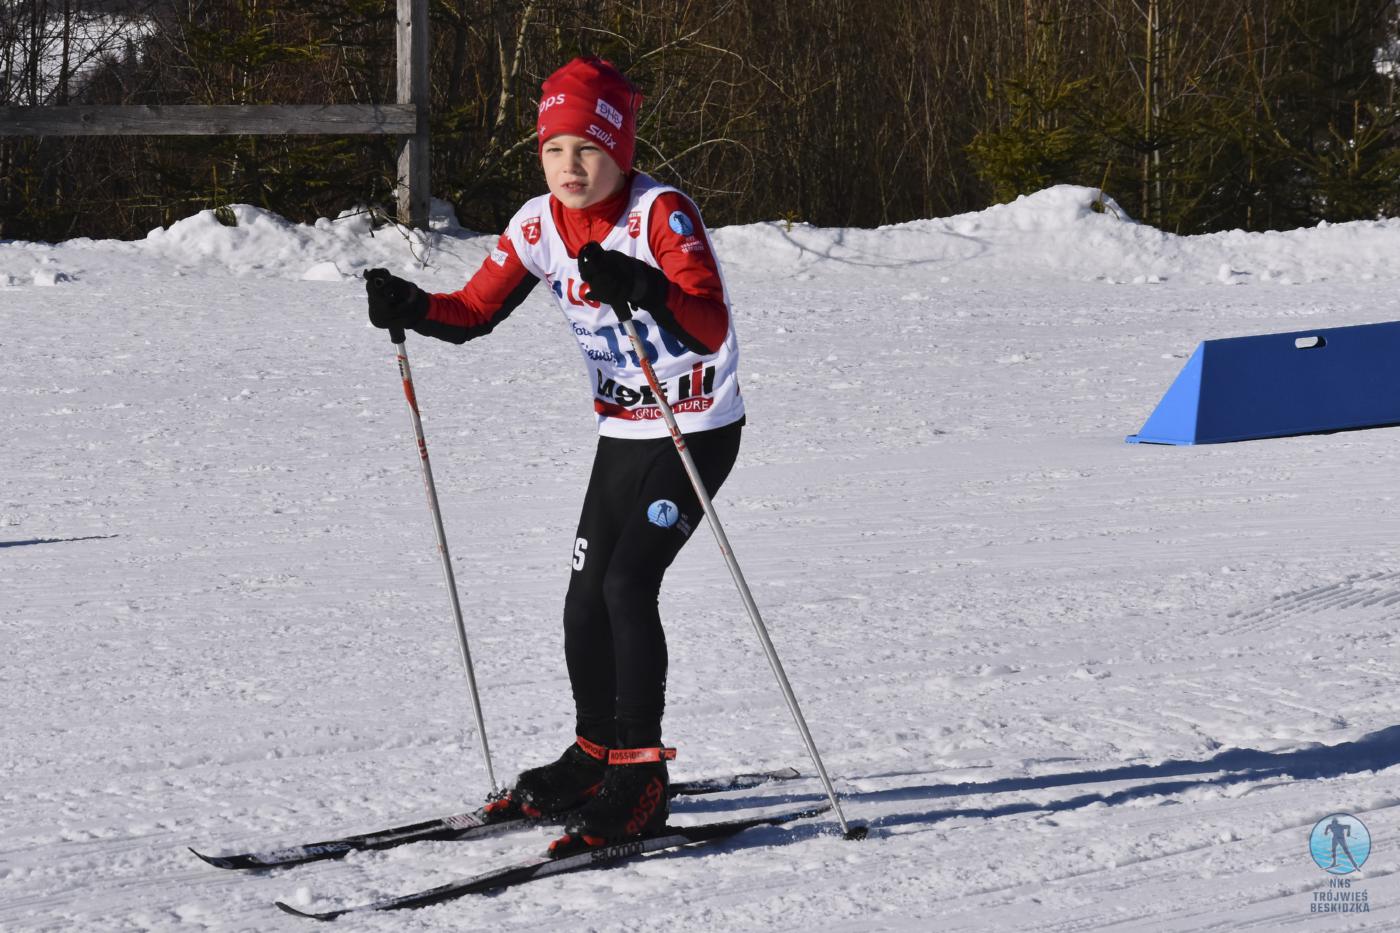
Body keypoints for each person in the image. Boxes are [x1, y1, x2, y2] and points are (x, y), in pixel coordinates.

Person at [363, 56, 744, 852]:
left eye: (589, 150)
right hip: (624, 430)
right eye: (555, 149)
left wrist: (645, 286)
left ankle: (641, 774)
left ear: (621, 152)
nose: (570, 166)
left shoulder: (659, 213)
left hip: (695, 427)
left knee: (627, 583)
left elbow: (709, 325)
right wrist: (413, 306)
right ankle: (594, 751)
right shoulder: (537, 225)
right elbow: (473, 310)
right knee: (583, 600)